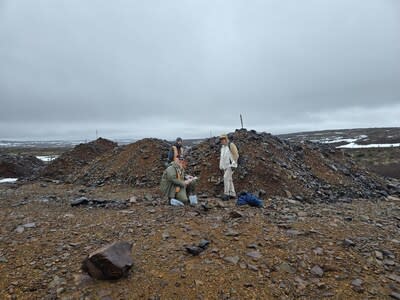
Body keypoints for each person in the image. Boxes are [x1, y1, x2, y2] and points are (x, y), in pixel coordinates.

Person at [219, 134, 239, 201]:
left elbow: (236, 155)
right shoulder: (223, 148)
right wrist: (221, 166)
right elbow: (222, 157)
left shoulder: (231, 145)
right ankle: (232, 194)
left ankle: (226, 194)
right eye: (221, 139)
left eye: (223, 139)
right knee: (229, 179)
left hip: (231, 166)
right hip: (225, 166)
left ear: (226, 139)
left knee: (226, 178)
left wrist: (233, 164)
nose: (222, 141)